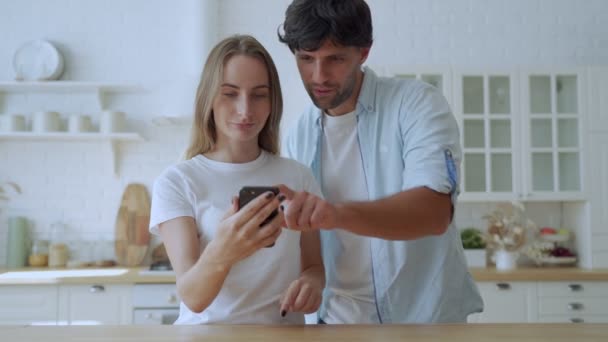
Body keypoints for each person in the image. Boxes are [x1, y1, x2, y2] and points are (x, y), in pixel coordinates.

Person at [276, 0, 483, 323]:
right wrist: (310, 277)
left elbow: (434, 212)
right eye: (306, 59)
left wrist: (336, 214)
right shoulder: (299, 133)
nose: (319, 76)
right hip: (334, 323)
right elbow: (309, 246)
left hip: (420, 324)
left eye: (335, 59)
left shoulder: (416, 105)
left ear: (364, 53)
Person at [149, 34, 324, 325]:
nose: (245, 110)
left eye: (258, 95)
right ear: (209, 98)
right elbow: (193, 297)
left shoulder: (298, 176)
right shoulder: (177, 182)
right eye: (230, 93)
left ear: (272, 101)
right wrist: (225, 248)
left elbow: (314, 266)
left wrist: (312, 284)